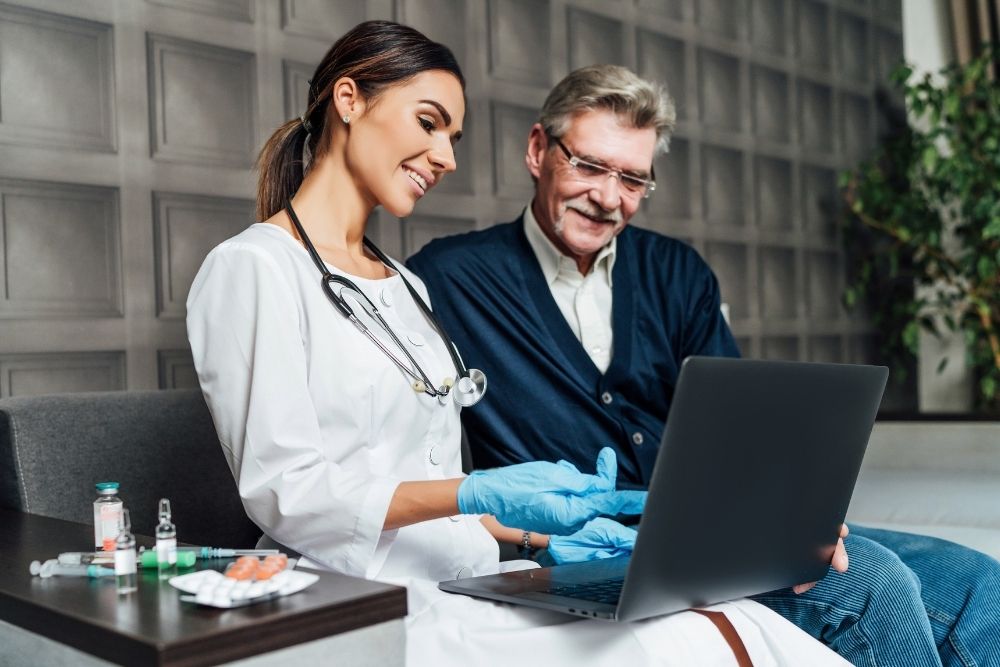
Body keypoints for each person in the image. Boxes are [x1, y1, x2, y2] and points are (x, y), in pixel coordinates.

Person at [187, 21, 851, 666]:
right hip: (359, 594)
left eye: (453, 135)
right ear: (349, 100)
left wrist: (543, 532)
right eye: (428, 122)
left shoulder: (409, 289)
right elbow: (289, 494)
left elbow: (429, 486)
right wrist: (476, 491)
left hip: (469, 577)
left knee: (738, 622)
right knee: (688, 641)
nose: (447, 156)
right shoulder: (255, 268)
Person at [406, 63, 1000, 667]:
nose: (609, 198)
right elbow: (410, 459)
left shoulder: (678, 272)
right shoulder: (447, 280)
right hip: (578, 552)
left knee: (982, 583)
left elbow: (739, 433)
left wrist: (792, 520)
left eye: (633, 179)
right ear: (539, 150)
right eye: (589, 166)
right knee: (876, 585)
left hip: (714, 541)